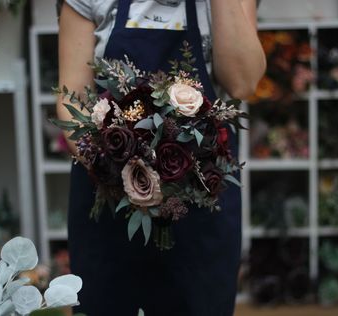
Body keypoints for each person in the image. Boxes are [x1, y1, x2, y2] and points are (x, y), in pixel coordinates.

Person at [57, 1, 266, 315]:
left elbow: (243, 82)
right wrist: (119, 170)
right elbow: (70, 98)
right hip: (110, 202)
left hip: (201, 204)